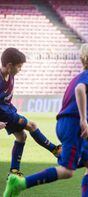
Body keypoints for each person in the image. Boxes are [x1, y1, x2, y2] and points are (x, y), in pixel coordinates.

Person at [3, 42, 88, 197]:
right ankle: (21, 183)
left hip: (67, 124)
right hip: (71, 125)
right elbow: (80, 91)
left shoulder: (78, 77)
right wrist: (83, 121)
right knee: (67, 171)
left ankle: (17, 172)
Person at [0, 48, 60, 177]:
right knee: (31, 125)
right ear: (10, 66)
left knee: (22, 137)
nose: (20, 70)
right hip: (5, 115)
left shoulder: (9, 75)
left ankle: (14, 171)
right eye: (19, 67)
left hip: (8, 111)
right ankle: (55, 150)